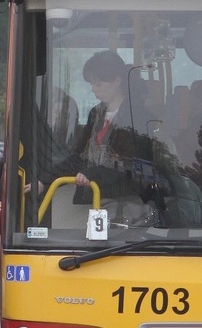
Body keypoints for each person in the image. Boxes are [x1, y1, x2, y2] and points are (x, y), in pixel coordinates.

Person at [63, 50, 168, 226]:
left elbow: (131, 166)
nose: (93, 89)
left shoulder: (138, 117)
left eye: (98, 84)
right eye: (91, 84)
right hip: (96, 199)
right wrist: (44, 179)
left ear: (117, 81)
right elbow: (78, 155)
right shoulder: (96, 114)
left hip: (130, 203)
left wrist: (91, 174)